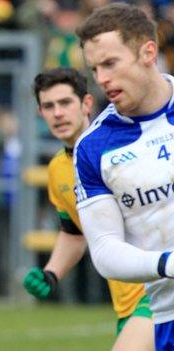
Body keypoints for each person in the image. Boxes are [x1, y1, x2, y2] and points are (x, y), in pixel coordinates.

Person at [24, 67, 154, 350]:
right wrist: (52, 272)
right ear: (40, 113)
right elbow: (74, 232)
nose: (58, 113)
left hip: (158, 289)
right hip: (127, 307)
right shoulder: (58, 169)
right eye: (49, 106)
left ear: (86, 104)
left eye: (65, 103)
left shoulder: (120, 148)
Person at [74, 3, 174, 350]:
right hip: (168, 316)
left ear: (148, 52)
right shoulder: (93, 148)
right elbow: (103, 250)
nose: (102, 79)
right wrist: (167, 263)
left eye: (111, 63)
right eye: (95, 68)